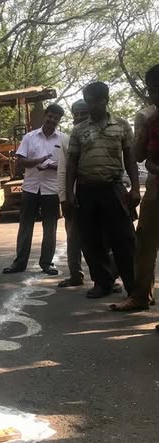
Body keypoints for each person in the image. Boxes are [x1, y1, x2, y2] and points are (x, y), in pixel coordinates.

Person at [65, 81, 140, 299]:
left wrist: (135, 188)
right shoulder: (79, 130)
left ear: (106, 100)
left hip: (114, 188)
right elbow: (71, 164)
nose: (91, 106)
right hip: (87, 190)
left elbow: (130, 158)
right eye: (88, 101)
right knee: (91, 239)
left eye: (95, 101)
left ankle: (133, 286)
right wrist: (69, 194)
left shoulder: (121, 125)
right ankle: (102, 283)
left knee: (124, 238)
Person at [110, 64, 159, 311]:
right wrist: (145, 127)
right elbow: (140, 156)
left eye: (157, 89)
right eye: (151, 90)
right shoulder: (149, 118)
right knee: (145, 244)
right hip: (155, 190)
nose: (153, 96)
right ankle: (141, 296)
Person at [3, 104, 65, 276]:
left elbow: (66, 165)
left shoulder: (63, 139)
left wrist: (51, 166)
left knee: (50, 228)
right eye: (50, 116)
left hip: (51, 189)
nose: (52, 120)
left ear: (59, 120)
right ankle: (19, 263)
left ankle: (47, 263)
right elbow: (20, 161)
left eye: (56, 118)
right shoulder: (29, 137)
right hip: (30, 188)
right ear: (45, 116)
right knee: (25, 226)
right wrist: (39, 160)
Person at [57, 100, 87, 287]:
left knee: (101, 238)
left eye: (83, 113)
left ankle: (107, 277)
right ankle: (75, 274)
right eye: (76, 113)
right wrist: (64, 198)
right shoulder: (66, 140)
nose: (79, 117)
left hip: (96, 194)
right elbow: (62, 171)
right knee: (73, 237)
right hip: (73, 196)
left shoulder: (100, 137)